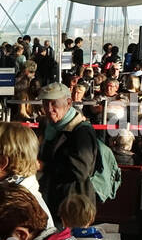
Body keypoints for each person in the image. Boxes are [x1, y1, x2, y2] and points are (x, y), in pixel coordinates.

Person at [36, 83, 98, 216]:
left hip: (71, 204)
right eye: (45, 104)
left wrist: (45, 166)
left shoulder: (81, 132)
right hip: (50, 198)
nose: (49, 109)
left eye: (54, 104)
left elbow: (80, 171)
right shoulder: (47, 125)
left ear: (68, 103)